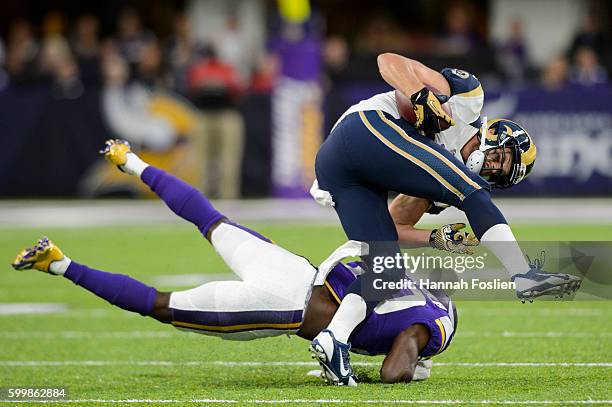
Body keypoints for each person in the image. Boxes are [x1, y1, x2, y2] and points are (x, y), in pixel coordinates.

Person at [11, 139, 457, 385]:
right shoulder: (430, 325)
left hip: (292, 269)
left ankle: (131, 161)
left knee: (210, 218)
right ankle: (59, 262)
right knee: (159, 304)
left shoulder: (400, 277)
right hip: (283, 305)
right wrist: (414, 366)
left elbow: (395, 221)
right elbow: (394, 368)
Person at [309, 52, 582, 385]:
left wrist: (434, 238)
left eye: (503, 172)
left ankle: (333, 340)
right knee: (472, 192)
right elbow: (389, 61)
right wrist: (419, 93)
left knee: (387, 270)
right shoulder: (469, 101)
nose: (494, 167)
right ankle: (523, 274)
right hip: (364, 128)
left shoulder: (438, 182)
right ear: (495, 134)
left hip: (344, 173)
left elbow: (393, 229)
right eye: (502, 156)